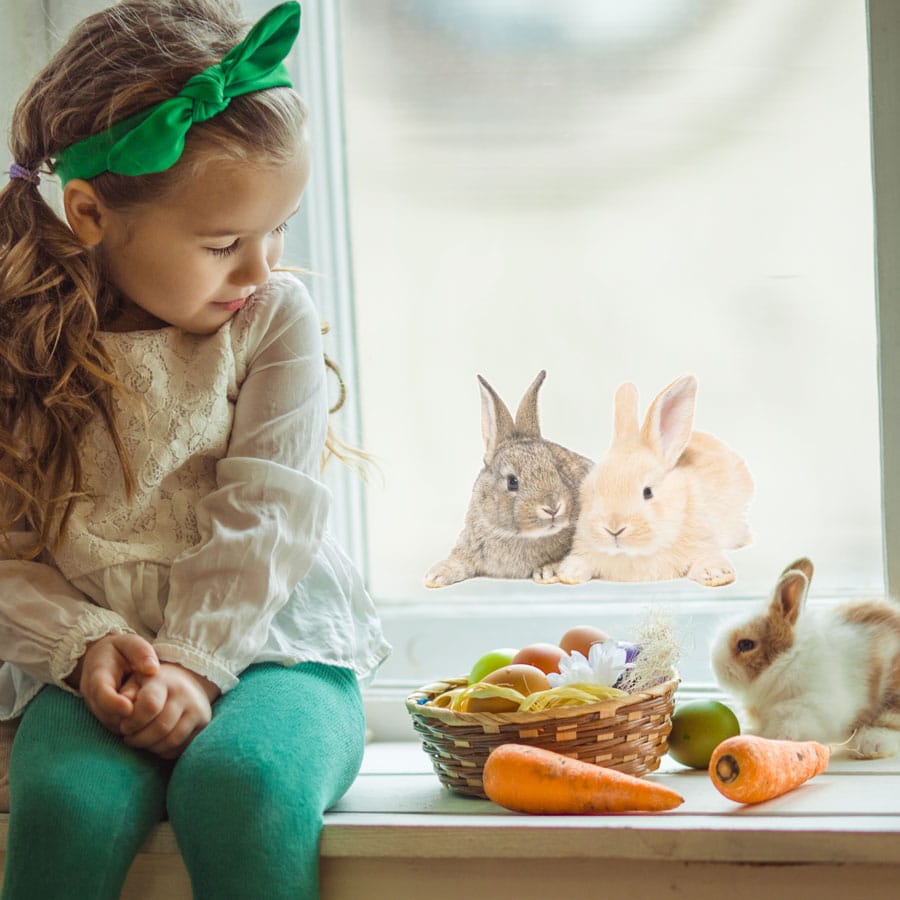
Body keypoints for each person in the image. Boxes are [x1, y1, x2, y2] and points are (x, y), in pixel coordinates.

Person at [0, 1, 391, 897]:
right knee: (64, 805)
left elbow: (269, 509)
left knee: (240, 785)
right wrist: (83, 641)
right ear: (91, 213)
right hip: (91, 660)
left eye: (277, 231)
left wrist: (193, 661)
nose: (260, 271)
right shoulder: (19, 340)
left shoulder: (270, 320)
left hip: (271, 647)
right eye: (224, 244)